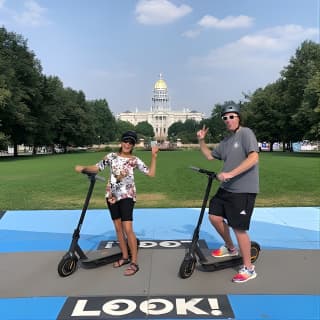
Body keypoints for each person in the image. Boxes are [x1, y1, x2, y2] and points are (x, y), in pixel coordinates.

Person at [75, 131, 159, 276]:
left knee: (128, 228)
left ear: (133, 145)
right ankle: (125, 257)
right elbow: (97, 167)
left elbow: (150, 174)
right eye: (125, 141)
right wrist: (83, 168)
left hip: (127, 196)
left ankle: (134, 262)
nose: (127, 144)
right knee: (118, 228)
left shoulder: (134, 160)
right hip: (112, 196)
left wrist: (154, 156)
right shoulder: (111, 156)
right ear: (121, 142)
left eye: (131, 142)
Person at [196, 104, 259, 283]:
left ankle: (249, 268)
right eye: (225, 118)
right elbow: (209, 156)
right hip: (226, 188)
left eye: (232, 116)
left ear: (239, 118)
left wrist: (230, 174)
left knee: (239, 228)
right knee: (214, 216)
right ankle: (231, 248)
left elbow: (254, 157)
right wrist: (201, 140)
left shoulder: (246, 133)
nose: (229, 120)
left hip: (243, 190)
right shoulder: (226, 141)